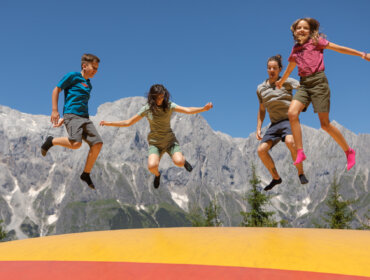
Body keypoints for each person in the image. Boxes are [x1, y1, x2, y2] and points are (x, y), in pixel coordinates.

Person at [276, 18, 370, 170]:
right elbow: (290, 68)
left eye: (305, 28)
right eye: (299, 27)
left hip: (319, 83)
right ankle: (300, 151)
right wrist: (282, 81)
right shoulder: (295, 50)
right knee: (292, 113)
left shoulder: (316, 41)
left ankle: (349, 151)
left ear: (310, 31)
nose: (301, 30)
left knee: (325, 125)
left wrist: (362, 54)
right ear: (294, 31)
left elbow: (339, 48)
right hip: (304, 85)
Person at [100, 84, 213, 189]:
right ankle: (158, 175)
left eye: (162, 97)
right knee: (151, 166)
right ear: (152, 97)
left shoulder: (169, 106)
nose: (160, 100)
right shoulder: (147, 109)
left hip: (170, 141)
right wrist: (109, 123)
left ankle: (184, 162)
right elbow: (128, 122)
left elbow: (187, 110)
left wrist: (203, 108)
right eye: (158, 98)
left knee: (178, 162)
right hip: (155, 143)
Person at [41, 53, 103, 190]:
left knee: (98, 143)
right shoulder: (73, 76)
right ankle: (51, 141)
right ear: (84, 66)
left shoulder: (89, 85)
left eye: (97, 69)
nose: (95, 71)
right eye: (94, 67)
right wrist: (55, 110)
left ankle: (86, 174)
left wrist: (65, 119)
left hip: (85, 118)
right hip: (72, 116)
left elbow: (78, 101)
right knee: (76, 144)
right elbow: (56, 89)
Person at [257, 54, 308, 191]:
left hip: (288, 121)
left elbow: (304, 89)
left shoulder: (287, 81)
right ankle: (276, 178)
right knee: (261, 150)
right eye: (269, 68)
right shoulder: (261, 88)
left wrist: (302, 105)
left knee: (291, 142)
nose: (271, 70)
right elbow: (262, 110)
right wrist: (259, 127)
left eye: (274, 68)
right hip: (274, 124)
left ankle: (301, 172)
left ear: (280, 69)